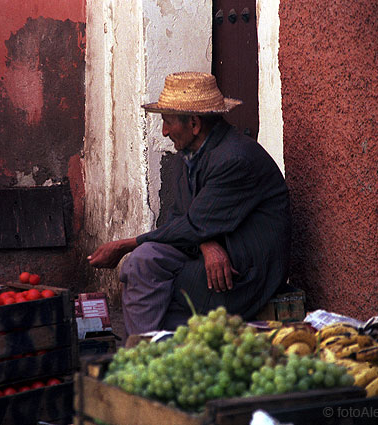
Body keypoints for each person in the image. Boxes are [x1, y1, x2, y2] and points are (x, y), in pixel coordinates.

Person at [87, 72, 291, 335]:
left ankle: (149, 350)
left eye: (168, 122)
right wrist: (206, 243)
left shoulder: (235, 158)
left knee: (147, 280)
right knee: (142, 262)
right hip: (212, 254)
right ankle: (144, 350)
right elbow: (181, 218)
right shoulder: (194, 152)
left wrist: (124, 245)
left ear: (194, 123)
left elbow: (194, 224)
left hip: (242, 271)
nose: (164, 131)